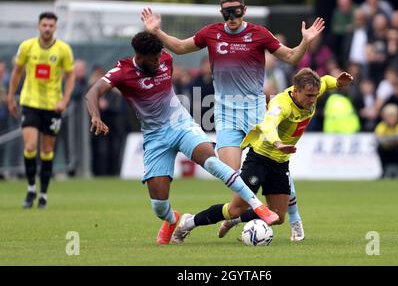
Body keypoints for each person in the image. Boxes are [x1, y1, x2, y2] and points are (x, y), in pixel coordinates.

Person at [141, 0, 325, 241]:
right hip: (226, 114)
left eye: (236, 11)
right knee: (231, 173)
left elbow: (292, 56)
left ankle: (294, 219)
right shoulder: (211, 33)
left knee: (275, 163)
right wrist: (156, 32)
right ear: (221, 13)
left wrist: (305, 42)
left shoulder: (259, 34)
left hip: (256, 112)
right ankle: (239, 213)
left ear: (244, 10)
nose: (232, 17)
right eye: (227, 12)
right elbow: (180, 47)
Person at [84, 31, 278, 245]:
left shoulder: (166, 58)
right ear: (139, 56)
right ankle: (172, 219)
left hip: (181, 125)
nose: (159, 62)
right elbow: (92, 93)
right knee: (158, 206)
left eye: (160, 56)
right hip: (155, 137)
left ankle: (257, 205)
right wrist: (95, 116)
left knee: (212, 161)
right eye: (153, 59)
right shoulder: (122, 72)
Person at [170, 68, 354, 244]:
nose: (313, 100)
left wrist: (337, 82)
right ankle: (190, 222)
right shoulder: (281, 104)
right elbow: (268, 125)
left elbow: (326, 82)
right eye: (309, 96)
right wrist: (277, 143)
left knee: (278, 216)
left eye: (315, 96)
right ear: (296, 91)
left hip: (280, 162)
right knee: (234, 209)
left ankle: (237, 220)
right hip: (259, 158)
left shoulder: (312, 89)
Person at [7, 12, 75, 209]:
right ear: (38, 26)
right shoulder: (27, 46)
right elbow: (17, 72)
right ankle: (30, 189)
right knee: (29, 146)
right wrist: (11, 97)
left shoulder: (63, 50)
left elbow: (70, 76)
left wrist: (65, 99)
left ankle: (43, 194)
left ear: (55, 27)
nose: (47, 28)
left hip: (53, 105)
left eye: (51, 25)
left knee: (47, 150)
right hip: (30, 102)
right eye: (44, 25)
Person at [375, 104, 398, 178]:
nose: (391, 119)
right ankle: (383, 172)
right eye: (389, 116)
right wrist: (391, 139)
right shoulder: (381, 126)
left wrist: (386, 139)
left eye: (393, 116)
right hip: (386, 151)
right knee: (379, 148)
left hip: (397, 151)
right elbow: (378, 139)